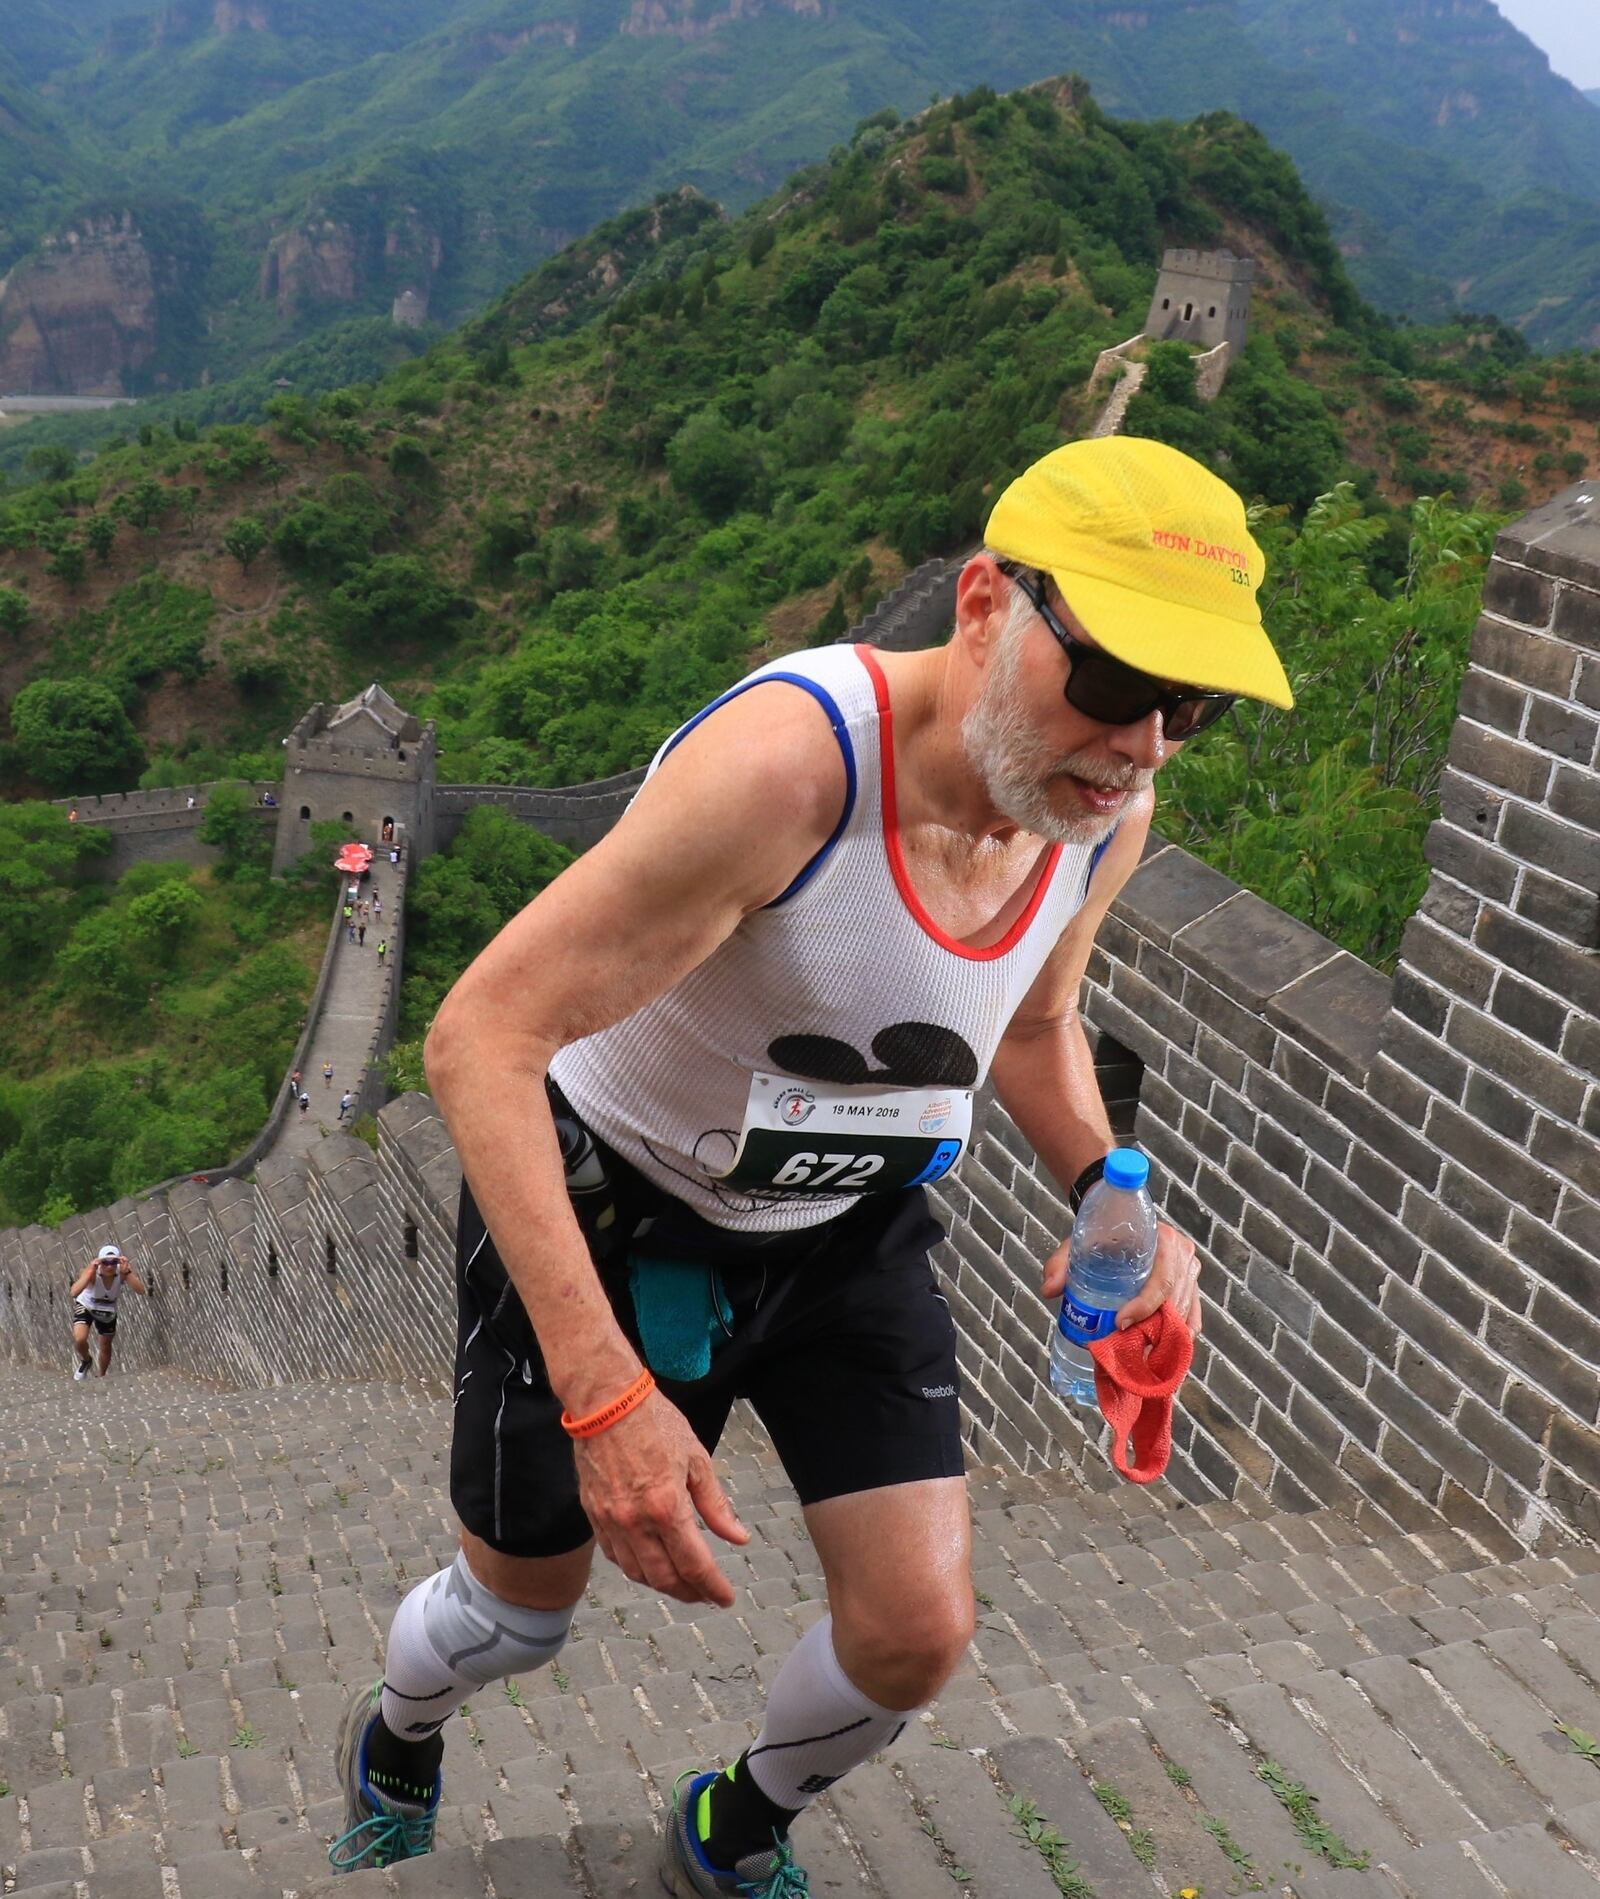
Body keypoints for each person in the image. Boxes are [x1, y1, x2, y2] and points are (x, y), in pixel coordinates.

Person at [327, 438, 1293, 1887]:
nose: (1145, 741)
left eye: (1191, 705)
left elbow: (1032, 1021)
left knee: (919, 1628)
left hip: (851, 1220)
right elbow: (479, 1039)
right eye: (1110, 683)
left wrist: (1110, 1191)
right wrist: (604, 1397)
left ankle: (741, 1817)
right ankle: (403, 1722)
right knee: (524, 1606)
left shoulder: (1098, 816)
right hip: (620, 1210)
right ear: (984, 606)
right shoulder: (789, 772)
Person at [69, 1244, 147, 1380]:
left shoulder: (122, 1272)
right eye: (105, 1262)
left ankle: (102, 1375)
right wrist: (89, 1272)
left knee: (105, 1344)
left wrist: (127, 1273)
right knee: (80, 1338)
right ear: (100, 1262)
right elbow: (74, 1292)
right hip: (87, 1304)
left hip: (108, 1308)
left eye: (113, 1262)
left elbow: (141, 1290)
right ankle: (86, 1360)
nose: (109, 1266)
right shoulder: (93, 1272)